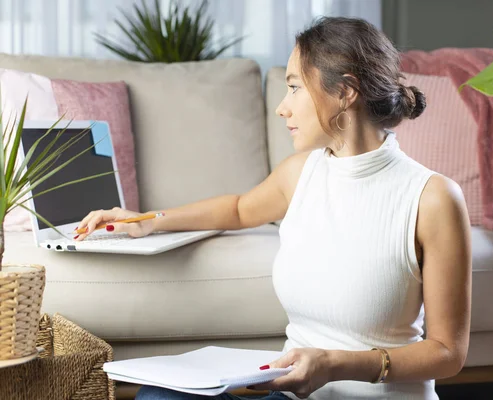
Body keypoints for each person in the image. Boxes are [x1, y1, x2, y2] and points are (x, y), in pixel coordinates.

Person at [77, 16, 472, 400]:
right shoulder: (301, 172)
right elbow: (237, 209)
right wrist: (147, 221)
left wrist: (335, 364)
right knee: (159, 397)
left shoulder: (432, 198)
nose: (282, 108)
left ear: (346, 91)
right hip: (292, 396)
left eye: (295, 87)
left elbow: (447, 353)